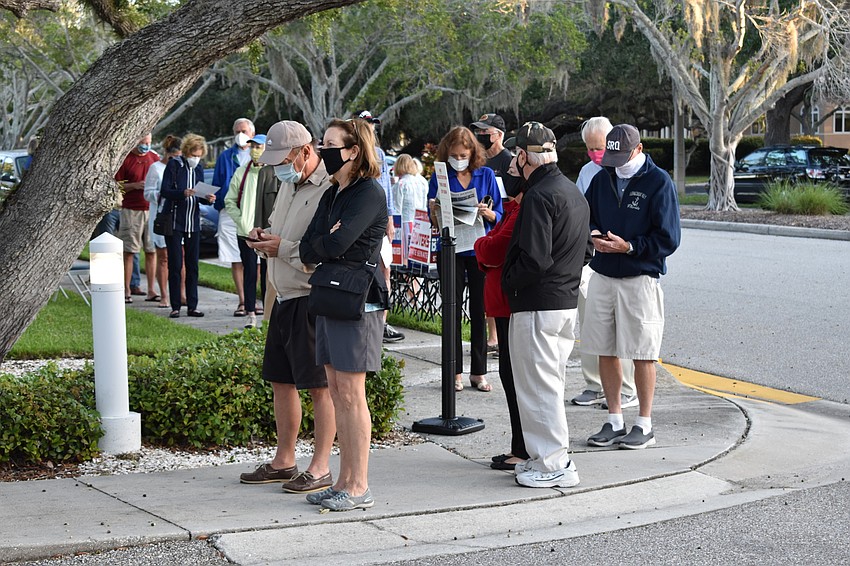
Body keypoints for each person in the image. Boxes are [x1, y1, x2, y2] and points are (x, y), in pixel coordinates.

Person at [240, 120, 336, 495]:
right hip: (281, 295)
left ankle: (321, 466)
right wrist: (262, 236)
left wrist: (280, 247)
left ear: (306, 152)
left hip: (309, 297)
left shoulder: (329, 188)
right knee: (281, 380)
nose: (280, 167)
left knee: (319, 387)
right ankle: (284, 460)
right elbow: (279, 228)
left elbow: (322, 250)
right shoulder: (287, 183)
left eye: (284, 159)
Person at [299, 118, 389, 511]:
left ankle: (359, 486)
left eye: (331, 144)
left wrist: (329, 241)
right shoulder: (334, 192)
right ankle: (342, 482)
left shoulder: (369, 193)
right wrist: (327, 241)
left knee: (352, 395)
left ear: (353, 150)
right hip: (330, 296)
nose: (323, 149)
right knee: (337, 392)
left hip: (357, 301)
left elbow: (337, 242)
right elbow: (309, 246)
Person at [501, 121, 591, 488]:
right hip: (563, 303)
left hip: (538, 304)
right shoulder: (571, 191)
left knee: (539, 387)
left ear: (523, 156)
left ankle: (554, 462)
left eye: (516, 154)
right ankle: (544, 457)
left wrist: (509, 281)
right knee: (547, 383)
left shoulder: (539, 195)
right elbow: (586, 251)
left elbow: (535, 258)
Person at [583, 124, 681, 450]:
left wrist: (630, 247)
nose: (616, 163)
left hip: (640, 278)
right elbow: (586, 216)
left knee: (643, 352)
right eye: (612, 157)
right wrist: (594, 234)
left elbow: (669, 238)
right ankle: (614, 420)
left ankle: (645, 423)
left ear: (638, 150)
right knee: (604, 348)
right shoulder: (602, 178)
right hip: (603, 274)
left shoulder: (658, 182)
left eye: (622, 157)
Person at [427, 126, 503, 393]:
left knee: (480, 311)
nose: (458, 158)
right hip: (451, 248)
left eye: (463, 154)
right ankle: (454, 370)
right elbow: (433, 219)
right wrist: (434, 209)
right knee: (451, 310)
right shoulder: (440, 176)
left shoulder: (486, 175)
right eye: (453, 154)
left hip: (479, 247)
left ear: (472, 153)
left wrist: (489, 214)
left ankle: (479, 372)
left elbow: (500, 215)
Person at [570, 117, 638, 409]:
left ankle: (626, 388)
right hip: (590, 260)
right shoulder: (587, 173)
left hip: (622, 260)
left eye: (599, 147)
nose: (595, 154)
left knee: (622, 328)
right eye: (590, 149)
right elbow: (580, 211)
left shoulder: (626, 172)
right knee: (590, 325)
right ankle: (594, 384)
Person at [473, 158, 527, 471]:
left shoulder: (520, 212)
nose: (506, 179)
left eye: (512, 173)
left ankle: (522, 448)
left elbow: (494, 249)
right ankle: (517, 446)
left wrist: (483, 244)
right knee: (508, 376)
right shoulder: (510, 209)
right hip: (501, 305)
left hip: (510, 307)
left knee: (514, 377)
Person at [471, 113, 523, 355]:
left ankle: (497, 337)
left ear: (499, 135)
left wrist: (496, 216)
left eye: (486, 132)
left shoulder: (508, 161)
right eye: (478, 132)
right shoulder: (478, 161)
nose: (481, 137)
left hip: (503, 226)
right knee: (484, 289)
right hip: (478, 230)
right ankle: (491, 336)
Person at [356, 111, 405, 344]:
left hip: (380, 218)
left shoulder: (380, 154)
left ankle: (382, 322)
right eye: (366, 124)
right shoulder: (353, 152)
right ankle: (364, 318)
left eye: (373, 124)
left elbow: (386, 188)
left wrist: (390, 218)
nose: (371, 128)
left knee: (385, 270)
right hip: (360, 219)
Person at [160, 133, 215, 318]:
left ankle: (193, 305)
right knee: (175, 264)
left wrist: (208, 199)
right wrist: (183, 192)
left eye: (199, 155)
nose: (196, 158)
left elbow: (200, 195)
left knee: (193, 266)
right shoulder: (175, 165)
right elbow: (165, 191)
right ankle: (175, 305)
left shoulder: (198, 169)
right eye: (193, 155)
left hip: (194, 222)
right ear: (186, 152)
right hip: (175, 222)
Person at [213, 118, 256, 318]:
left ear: (252, 133)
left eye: (244, 130)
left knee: (254, 259)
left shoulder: (259, 154)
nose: (241, 134)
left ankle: (254, 300)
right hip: (229, 212)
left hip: (252, 211)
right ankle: (242, 300)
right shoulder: (225, 157)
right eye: (237, 131)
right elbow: (218, 183)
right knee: (235, 257)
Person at [224, 133, 267, 329]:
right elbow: (230, 201)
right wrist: (243, 224)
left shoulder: (274, 173)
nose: (255, 150)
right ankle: (251, 312)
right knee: (250, 272)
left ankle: (268, 313)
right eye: (253, 146)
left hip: (268, 232)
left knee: (269, 274)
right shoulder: (242, 172)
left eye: (259, 146)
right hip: (245, 233)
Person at [115, 133, 160, 303]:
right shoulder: (126, 159)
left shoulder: (154, 157)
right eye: (142, 142)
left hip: (151, 210)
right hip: (131, 210)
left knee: (151, 250)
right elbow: (117, 185)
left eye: (148, 142)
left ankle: (151, 290)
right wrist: (134, 185)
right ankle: (126, 290)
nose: (146, 146)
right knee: (129, 251)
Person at [143, 135, 182, 308]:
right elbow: (147, 192)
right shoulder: (155, 168)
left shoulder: (183, 166)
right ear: (167, 154)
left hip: (179, 217)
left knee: (181, 257)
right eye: (173, 157)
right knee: (163, 256)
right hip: (162, 215)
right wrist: (163, 194)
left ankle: (181, 294)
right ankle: (164, 295)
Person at [391, 154, 428, 224]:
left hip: (405, 222)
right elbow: (424, 204)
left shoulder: (400, 184)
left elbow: (396, 209)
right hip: (419, 223)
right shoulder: (421, 182)